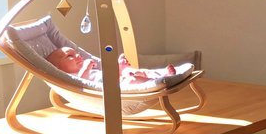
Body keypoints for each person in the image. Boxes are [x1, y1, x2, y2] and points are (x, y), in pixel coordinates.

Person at [46, 46, 176, 84]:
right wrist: (85, 68)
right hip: (111, 89)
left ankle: (162, 73)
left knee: (134, 72)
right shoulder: (71, 77)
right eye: (69, 56)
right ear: (57, 68)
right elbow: (80, 83)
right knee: (132, 79)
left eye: (76, 53)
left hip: (114, 80)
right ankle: (157, 81)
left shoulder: (87, 69)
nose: (77, 56)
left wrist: (119, 69)